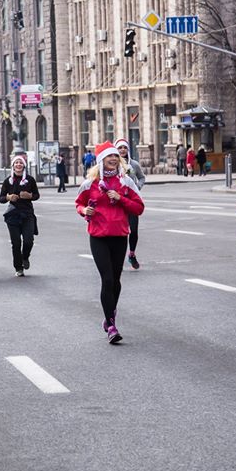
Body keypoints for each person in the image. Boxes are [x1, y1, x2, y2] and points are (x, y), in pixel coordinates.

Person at [74, 142, 145, 344]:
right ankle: (111, 325)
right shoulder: (91, 183)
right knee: (106, 279)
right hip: (98, 236)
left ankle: (109, 315)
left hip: (120, 235)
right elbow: (79, 203)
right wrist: (83, 211)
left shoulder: (126, 182)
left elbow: (139, 208)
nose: (113, 160)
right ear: (101, 160)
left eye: (115, 157)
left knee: (116, 280)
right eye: (109, 157)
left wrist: (120, 198)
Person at [0, 154, 40, 277]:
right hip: (13, 215)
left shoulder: (30, 179)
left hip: (27, 214)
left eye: (20, 163)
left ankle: (25, 257)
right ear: (13, 166)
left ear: (24, 166)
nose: (18, 165)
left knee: (28, 240)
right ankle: (18, 267)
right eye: (16, 163)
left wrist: (30, 196)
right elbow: (1, 198)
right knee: (16, 243)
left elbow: (37, 195)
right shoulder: (8, 181)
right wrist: (8, 197)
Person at [114, 138, 145, 270]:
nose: (122, 150)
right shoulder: (112, 164)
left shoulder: (134, 164)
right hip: (117, 202)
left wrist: (138, 187)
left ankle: (131, 254)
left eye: (125, 148)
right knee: (120, 232)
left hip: (131, 202)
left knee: (134, 230)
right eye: (120, 148)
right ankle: (117, 257)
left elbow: (142, 177)